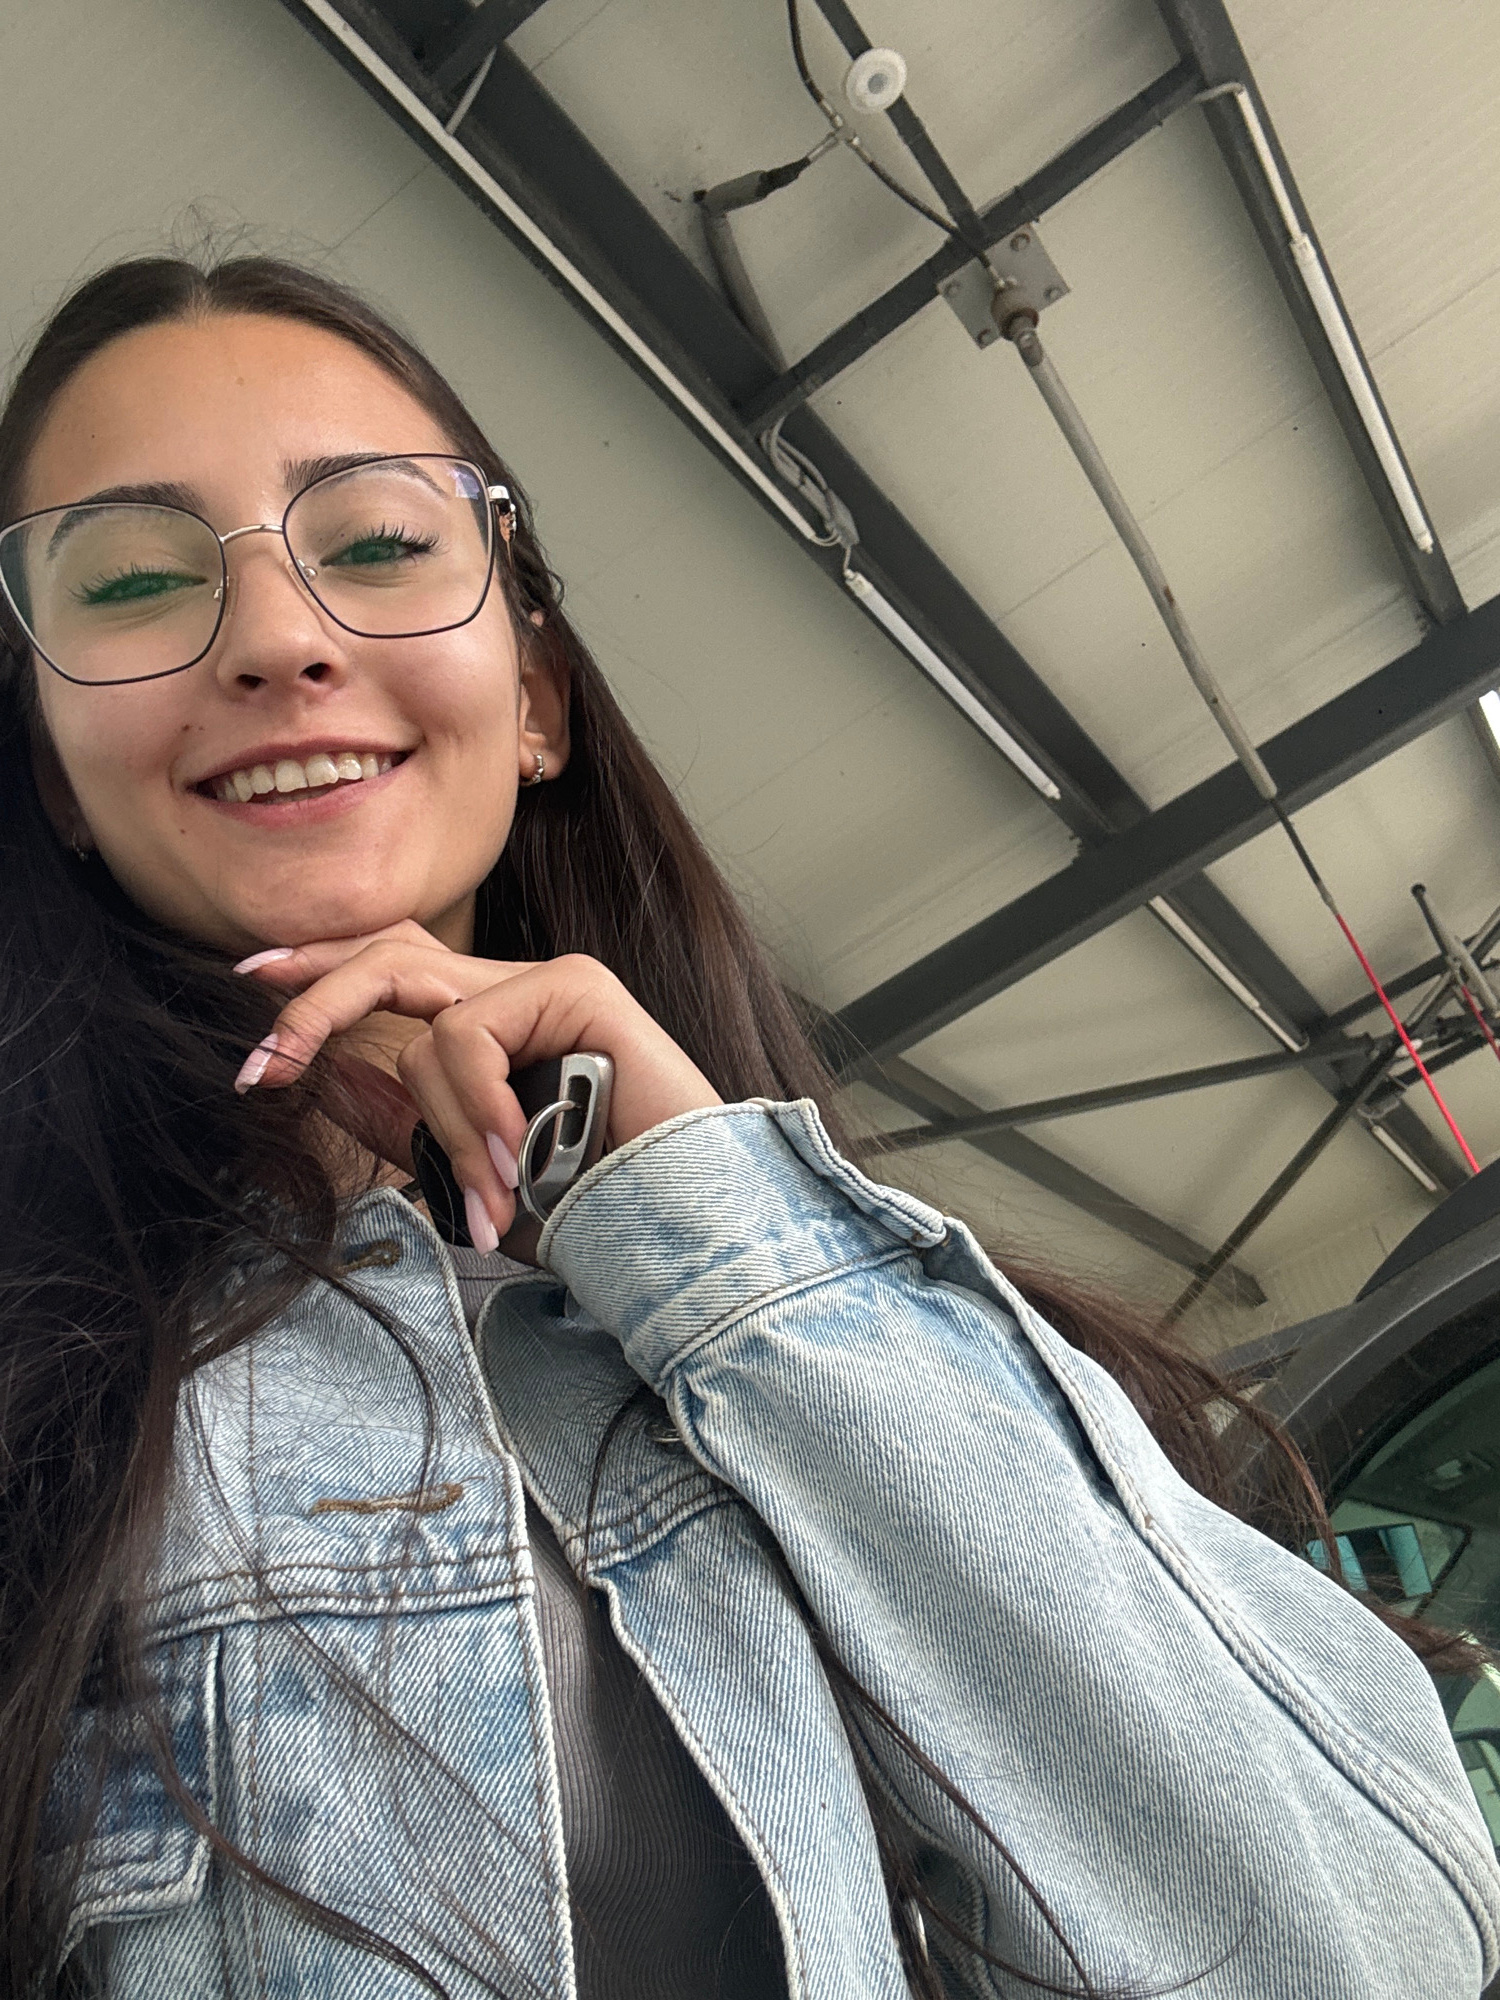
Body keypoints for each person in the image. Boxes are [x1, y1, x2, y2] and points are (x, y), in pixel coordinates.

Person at [0, 254, 1494, 2000]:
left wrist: (713, 1215)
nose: (275, 636)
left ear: (538, 699)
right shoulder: (47, 1385)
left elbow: (1351, 1955)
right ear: (54, 776)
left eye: (380, 543)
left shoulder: (874, 1323)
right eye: (134, 581)